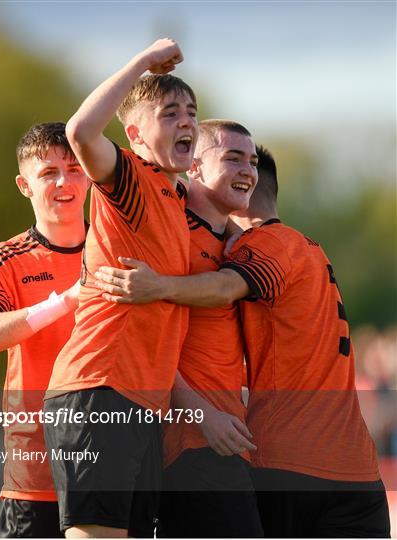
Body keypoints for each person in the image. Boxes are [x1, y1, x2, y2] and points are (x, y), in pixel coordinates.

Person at [95, 145, 390, 538]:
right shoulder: (307, 248)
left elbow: (225, 287)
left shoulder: (269, 244)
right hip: (357, 468)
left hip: (290, 462)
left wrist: (156, 286)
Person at [43, 39, 198, 538]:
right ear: (134, 134)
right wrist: (142, 64)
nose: (186, 122)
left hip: (140, 402)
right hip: (99, 391)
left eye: (192, 113)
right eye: (170, 112)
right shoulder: (133, 177)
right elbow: (81, 131)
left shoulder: (175, 200)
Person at [0, 122, 89, 538]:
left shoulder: (119, 252)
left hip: (113, 456)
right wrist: (63, 302)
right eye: (48, 172)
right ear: (24, 185)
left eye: (73, 169)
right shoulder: (4, 259)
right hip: (35, 465)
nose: (63, 181)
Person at [155, 119, 263, 538]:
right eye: (233, 158)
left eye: (251, 162)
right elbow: (149, 341)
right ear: (194, 167)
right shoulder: (171, 233)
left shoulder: (238, 242)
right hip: (192, 440)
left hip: (228, 436)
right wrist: (202, 415)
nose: (248, 171)